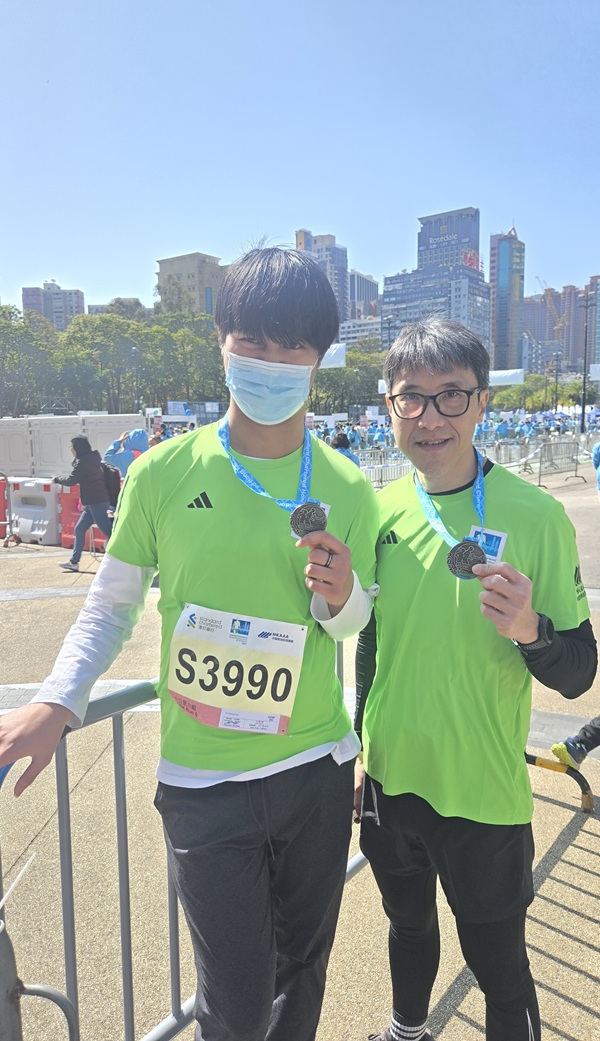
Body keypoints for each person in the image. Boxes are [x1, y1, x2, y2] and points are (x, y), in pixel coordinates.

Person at [0, 247, 379, 1041]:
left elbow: (352, 625)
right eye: (253, 342)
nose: (272, 363)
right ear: (220, 339)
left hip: (314, 771)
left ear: (319, 358)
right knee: (234, 1003)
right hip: (206, 784)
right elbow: (110, 606)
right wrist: (58, 699)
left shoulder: (345, 486)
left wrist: (342, 600)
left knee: (302, 976)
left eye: (293, 347)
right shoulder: (163, 473)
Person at [354, 317, 597, 1041]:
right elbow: (372, 643)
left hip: (483, 795)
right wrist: (361, 754)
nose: (430, 416)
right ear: (389, 406)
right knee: (407, 926)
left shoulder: (537, 514)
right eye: (411, 398)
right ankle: (406, 1032)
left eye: (451, 396)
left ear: (483, 403)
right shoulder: (379, 509)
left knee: (499, 965)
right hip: (393, 781)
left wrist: (532, 631)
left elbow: (581, 672)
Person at [53, 436, 114, 572]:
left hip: (96, 501)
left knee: (109, 532)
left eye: (72, 447)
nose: (70, 449)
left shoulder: (83, 462)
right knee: (79, 529)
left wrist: (57, 479)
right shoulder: (92, 458)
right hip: (94, 501)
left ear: (77, 448)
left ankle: (122, 559)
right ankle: (74, 562)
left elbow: (71, 480)